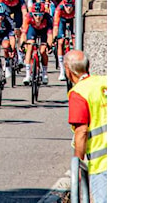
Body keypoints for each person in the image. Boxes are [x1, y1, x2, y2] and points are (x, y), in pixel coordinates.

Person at [65, 50, 107, 203]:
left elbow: (81, 131)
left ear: (68, 71)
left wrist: (77, 161)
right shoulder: (105, 81)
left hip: (102, 164)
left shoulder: (78, 93)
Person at [21, 2, 53, 85]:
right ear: (32, 14)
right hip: (32, 30)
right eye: (35, 15)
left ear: (43, 14)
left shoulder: (48, 18)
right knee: (30, 48)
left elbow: (50, 35)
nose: (38, 17)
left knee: (42, 51)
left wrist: (49, 45)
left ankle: (45, 73)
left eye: (40, 15)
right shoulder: (28, 16)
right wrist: (22, 43)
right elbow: (24, 32)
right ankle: (28, 74)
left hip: (43, 31)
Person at [53, 0, 75, 81]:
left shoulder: (77, 8)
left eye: (70, 6)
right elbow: (55, 25)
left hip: (73, 19)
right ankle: (62, 70)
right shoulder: (59, 8)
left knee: (75, 41)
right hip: (62, 19)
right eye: (66, 6)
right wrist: (55, 37)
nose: (68, 8)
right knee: (61, 42)